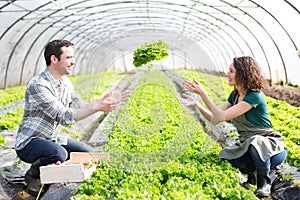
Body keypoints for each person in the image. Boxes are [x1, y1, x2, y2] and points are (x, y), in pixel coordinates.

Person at [15, 39, 131, 195]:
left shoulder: (66, 83)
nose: (73, 62)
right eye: (68, 57)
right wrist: (96, 107)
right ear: (54, 59)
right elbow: (63, 116)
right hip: (30, 142)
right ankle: (32, 175)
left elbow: (78, 106)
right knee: (58, 154)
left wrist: (103, 102)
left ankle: (52, 168)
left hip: (52, 138)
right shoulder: (38, 85)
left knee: (88, 154)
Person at [179, 56, 286, 198]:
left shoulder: (254, 96)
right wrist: (197, 103)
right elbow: (215, 119)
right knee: (227, 154)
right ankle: (252, 176)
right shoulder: (235, 95)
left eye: (231, 71)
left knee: (256, 142)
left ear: (242, 73)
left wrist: (203, 94)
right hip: (249, 146)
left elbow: (222, 116)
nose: (226, 74)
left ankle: (264, 183)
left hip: (271, 148)